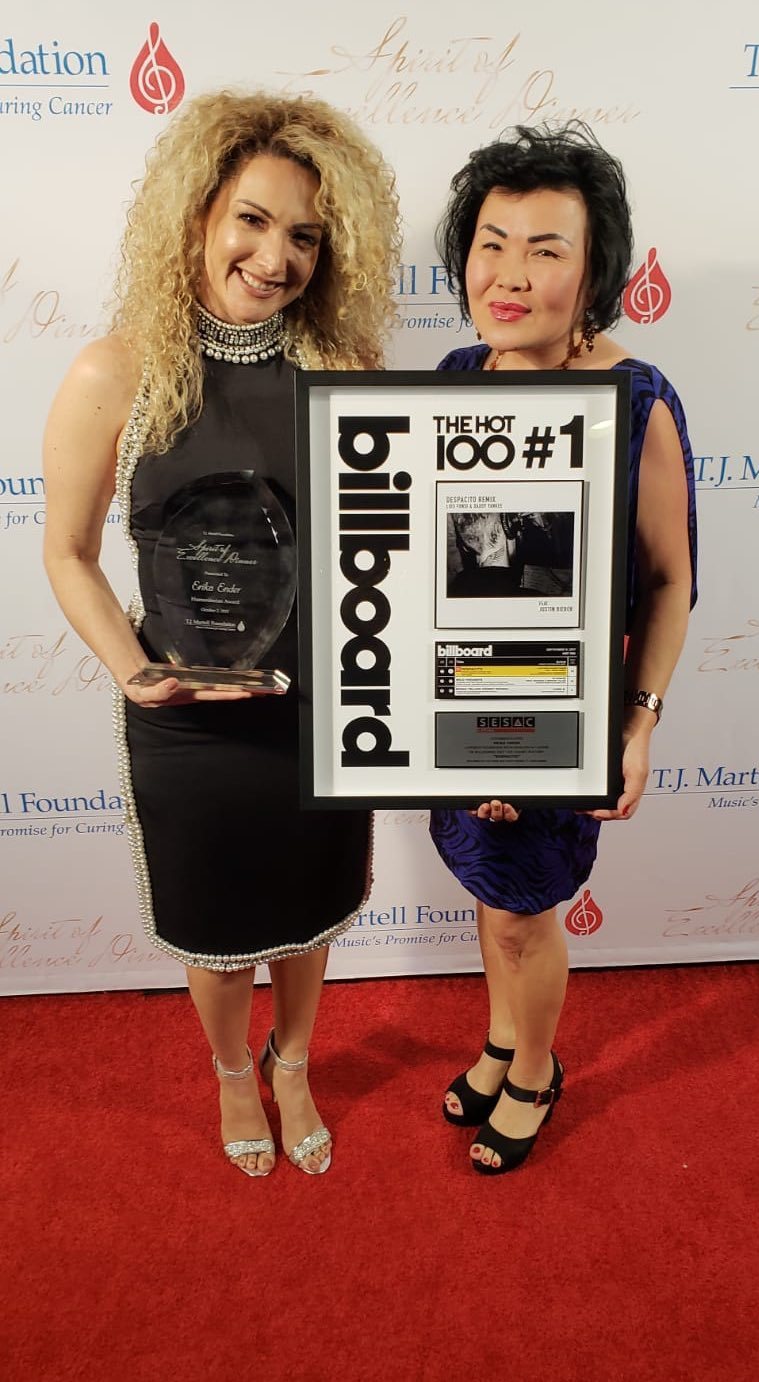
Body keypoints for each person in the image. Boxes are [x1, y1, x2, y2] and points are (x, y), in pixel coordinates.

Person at [43, 91, 399, 1178]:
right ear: (197, 211)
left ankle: (295, 1062)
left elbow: (380, 554)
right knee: (216, 924)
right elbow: (68, 552)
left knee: (311, 904)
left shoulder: (344, 370)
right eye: (252, 219)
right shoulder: (117, 371)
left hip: (321, 707)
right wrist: (134, 670)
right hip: (186, 721)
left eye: (305, 236)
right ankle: (234, 1070)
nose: (275, 257)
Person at [430, 123, 697, 1175]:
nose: (509, 275)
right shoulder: (453, 379)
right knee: (490, 899)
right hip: (459, 703)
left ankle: (535, 1071)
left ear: (594, 272)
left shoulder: (637, 403)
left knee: (520, 916)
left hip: (565, 713)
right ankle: (503, 1039)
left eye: (545, 250)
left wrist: (637, 723)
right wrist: (453, 732)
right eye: (491, 244)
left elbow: (668, 581)